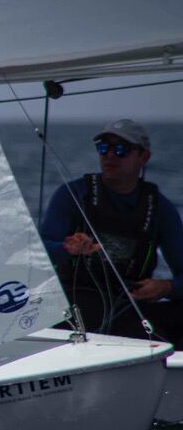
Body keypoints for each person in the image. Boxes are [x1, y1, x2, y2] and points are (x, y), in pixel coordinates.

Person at [40, 118, 183, 344]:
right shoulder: (72, 195)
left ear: (143, 157)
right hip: (77, 303)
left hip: (130, 306)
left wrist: (166, 287)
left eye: (121, 149)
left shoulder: (161, 209)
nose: (110, 155)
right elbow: (39, 254)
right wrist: (67, 249)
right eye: (104, 148)